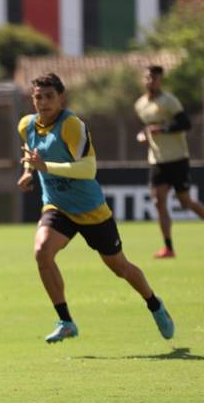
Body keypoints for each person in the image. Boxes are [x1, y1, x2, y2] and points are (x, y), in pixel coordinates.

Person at [17, 73, 174, 343]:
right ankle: (66, 321)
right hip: (57, 206)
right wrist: (28, 171)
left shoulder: (71, 125)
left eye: (49, 96)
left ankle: (153, 303)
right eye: (38, 97)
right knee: (42, 252)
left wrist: (45, 167)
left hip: (91, 210)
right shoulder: (26, 125)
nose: (43, 102)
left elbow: (88, 169)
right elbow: (32, 154)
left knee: (120, 267)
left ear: (62, 98)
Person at [134, 65, 204, 258]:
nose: (150, 81)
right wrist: (143, 135)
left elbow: (186, 124)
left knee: (185, 202)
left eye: (154, 78)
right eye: (147, 77)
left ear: (160, 80)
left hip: (177, 158)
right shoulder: (140, 105)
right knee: (158, 201)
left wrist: (163, 130)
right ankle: (168, 247)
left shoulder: (169, 101)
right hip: (157, 159)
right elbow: (145, 128)